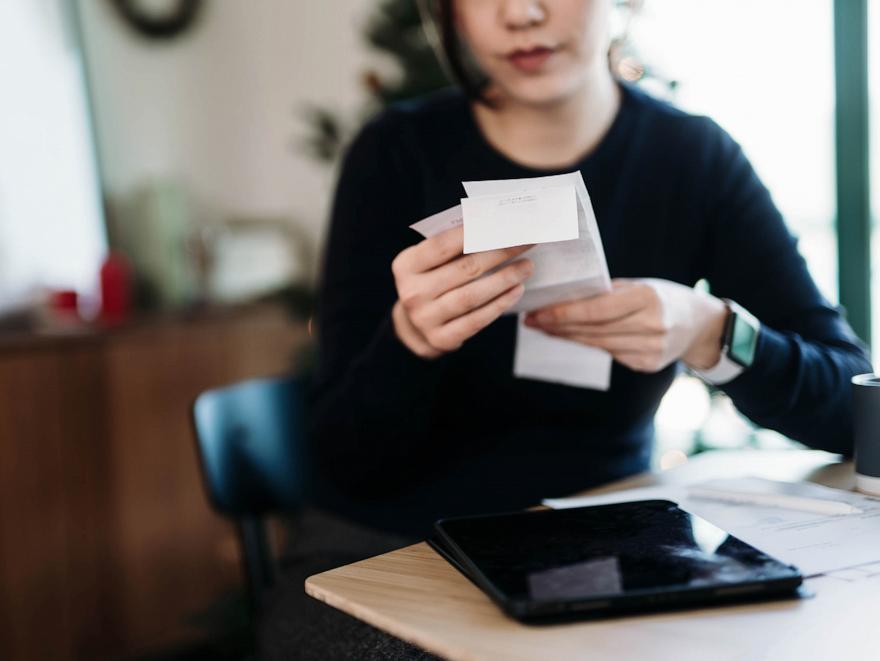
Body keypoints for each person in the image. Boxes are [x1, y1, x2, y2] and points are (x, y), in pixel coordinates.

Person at [259, 1, 872, 658]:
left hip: (603, 542)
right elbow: (341, 462)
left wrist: (713, 331)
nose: (521, 13)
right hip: (389, 547)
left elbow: (855, 416)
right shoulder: (394, 152)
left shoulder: (691, 158)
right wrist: (408, 340)